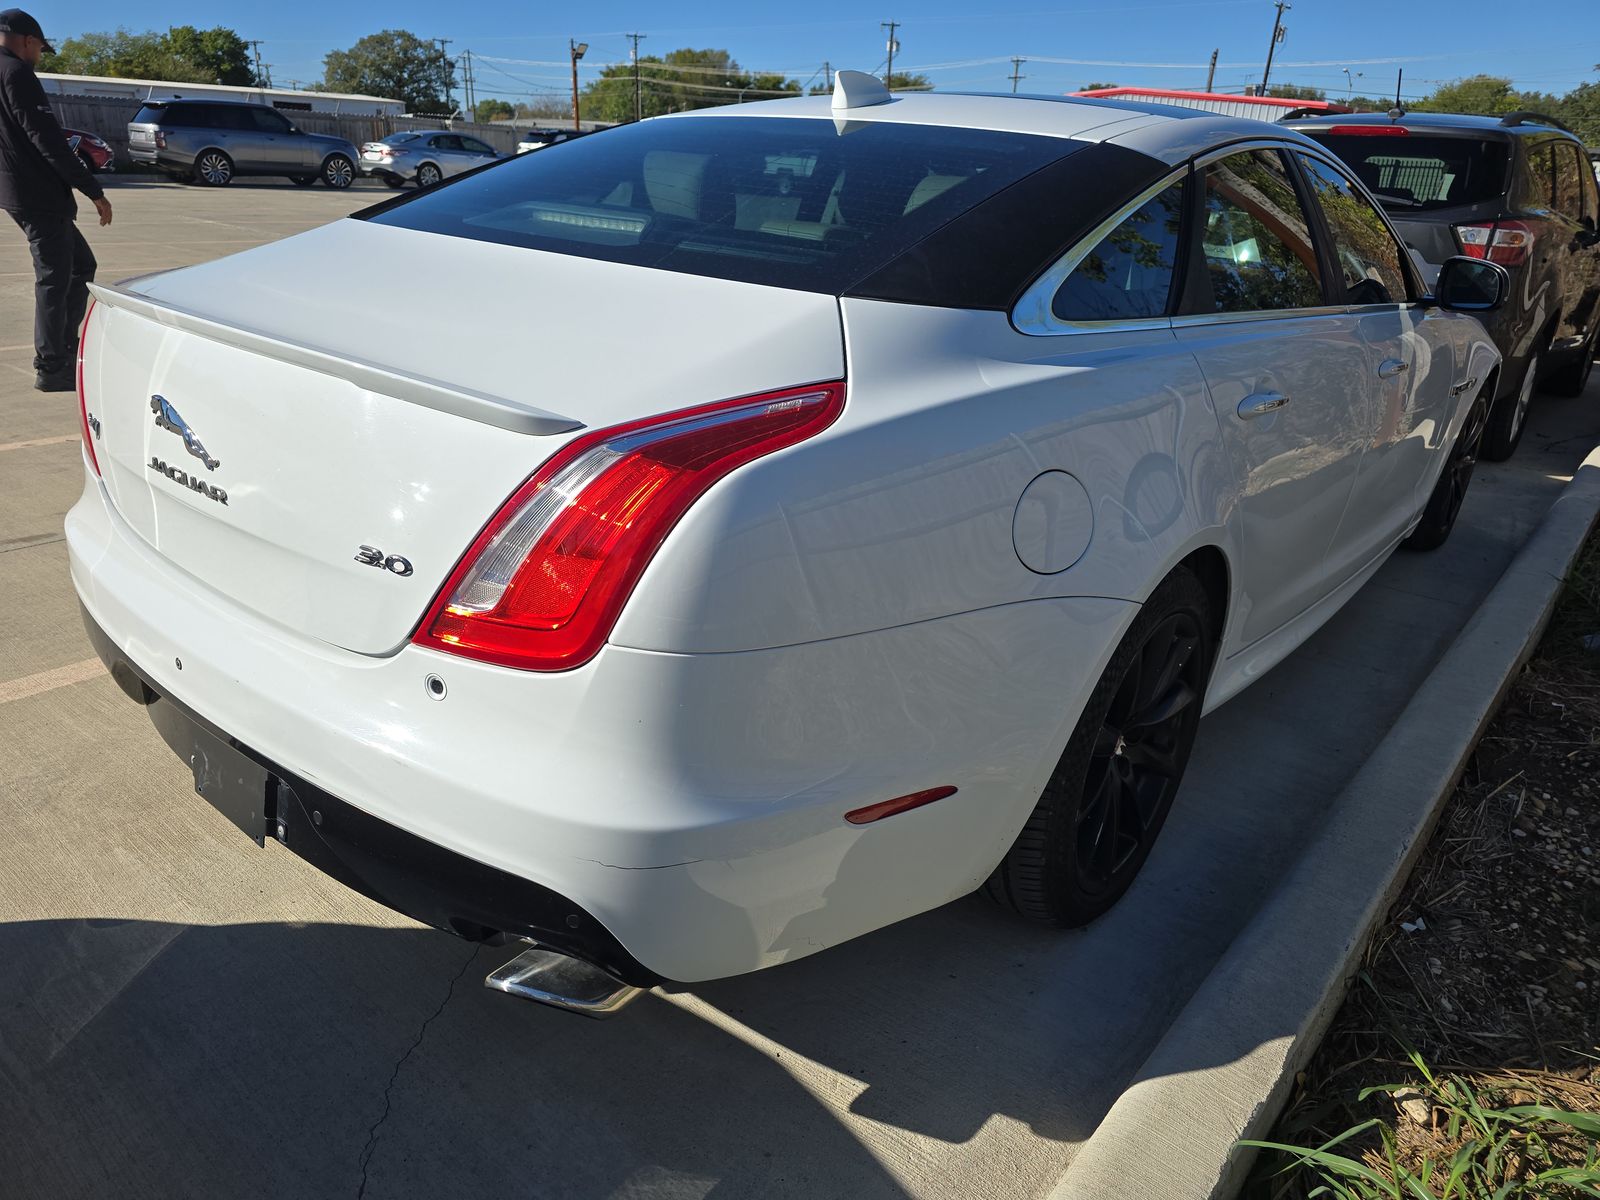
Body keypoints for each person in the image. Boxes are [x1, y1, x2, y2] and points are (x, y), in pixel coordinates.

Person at [0, 8, 111, 391]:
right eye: (40, 49)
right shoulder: (17, 74)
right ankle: (52, 365)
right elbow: (46, 139)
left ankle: (63, 348)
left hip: (16, 192)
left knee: (80, 265)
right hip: (38, 195)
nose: (39, 56)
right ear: (27, 41)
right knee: (54, 279)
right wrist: (92, 189)